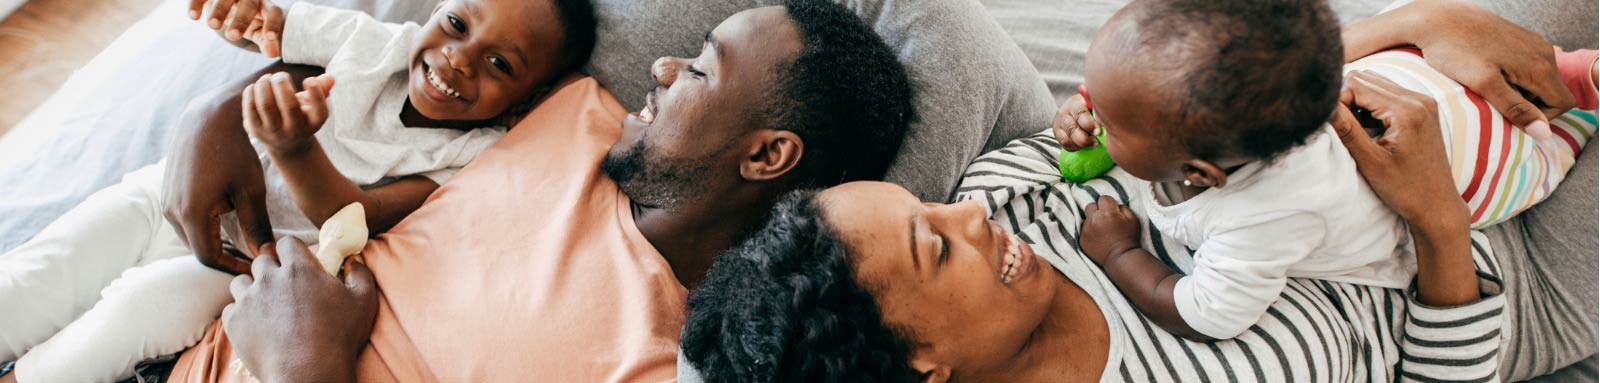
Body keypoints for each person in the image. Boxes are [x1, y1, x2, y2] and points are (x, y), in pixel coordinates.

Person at [678, 1, 1595, 382]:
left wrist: (1415, 25)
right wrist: (1436, 218)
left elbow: (1190, 109)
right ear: (925, 367)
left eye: (927, 206)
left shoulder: (1013, 199)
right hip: (1495, 277)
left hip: (1380, 122)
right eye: (936, 245)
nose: (968, 208)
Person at [156, 0, 916, 381]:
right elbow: (390, 88)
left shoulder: (663, 360)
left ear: (768, 154)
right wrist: (223, 110)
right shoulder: (575, 113)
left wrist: (305, 366)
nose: (659, 70)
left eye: (700, 69)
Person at [0, 0, 597, 381]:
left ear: (525, 101)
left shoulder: (469, 155)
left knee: (140, 309)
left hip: (245, 267)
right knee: (42, 274)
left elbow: (359, 216)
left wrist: (294, 149)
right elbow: (277, 29)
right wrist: (242, 20)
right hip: (163, 195)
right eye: (457, 24)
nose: (457, 59)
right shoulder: (373, 43)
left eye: (499, 64)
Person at [1045, 0, 1595, 341]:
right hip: (1405, 73)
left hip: (1474, 171)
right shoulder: (1262, 105)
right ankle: (1574, 78)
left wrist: (1120, 253)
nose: (1087, 108)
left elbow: (1202, 313)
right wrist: (1100, 108)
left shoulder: (1262, 217)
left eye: (1105, 116)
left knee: (1549, 144)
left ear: (1202, 173)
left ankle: (1577, 108)